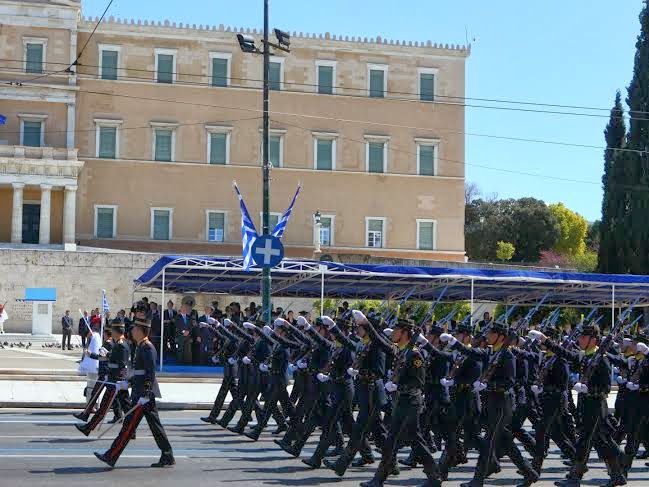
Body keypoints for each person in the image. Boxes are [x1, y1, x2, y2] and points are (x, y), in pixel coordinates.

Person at [360, 318, 441, 487]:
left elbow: (419, 382)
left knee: (415, 441)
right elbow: (380, 342)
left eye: (397, 330)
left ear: (404, 333)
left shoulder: (415, 354)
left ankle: (434, 476)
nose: (393, 333)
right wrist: (367, 324)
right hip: (401, 401)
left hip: (411, 402)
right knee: (391, 441)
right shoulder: (401, 350)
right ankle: (378, 479)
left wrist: (398, 384)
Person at [94, 317, 175, 468]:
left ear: (140, 330)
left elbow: (150, 374)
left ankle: (111, 456)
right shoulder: (140, 346)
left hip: (143, 395)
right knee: (155, 427)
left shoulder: (148, 348)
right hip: (140, 393)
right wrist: (127, 383)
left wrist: (145, 394)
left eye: (134, 328)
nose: (131, 331)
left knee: (128, 427)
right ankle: (167, 454)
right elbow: (139, 373)